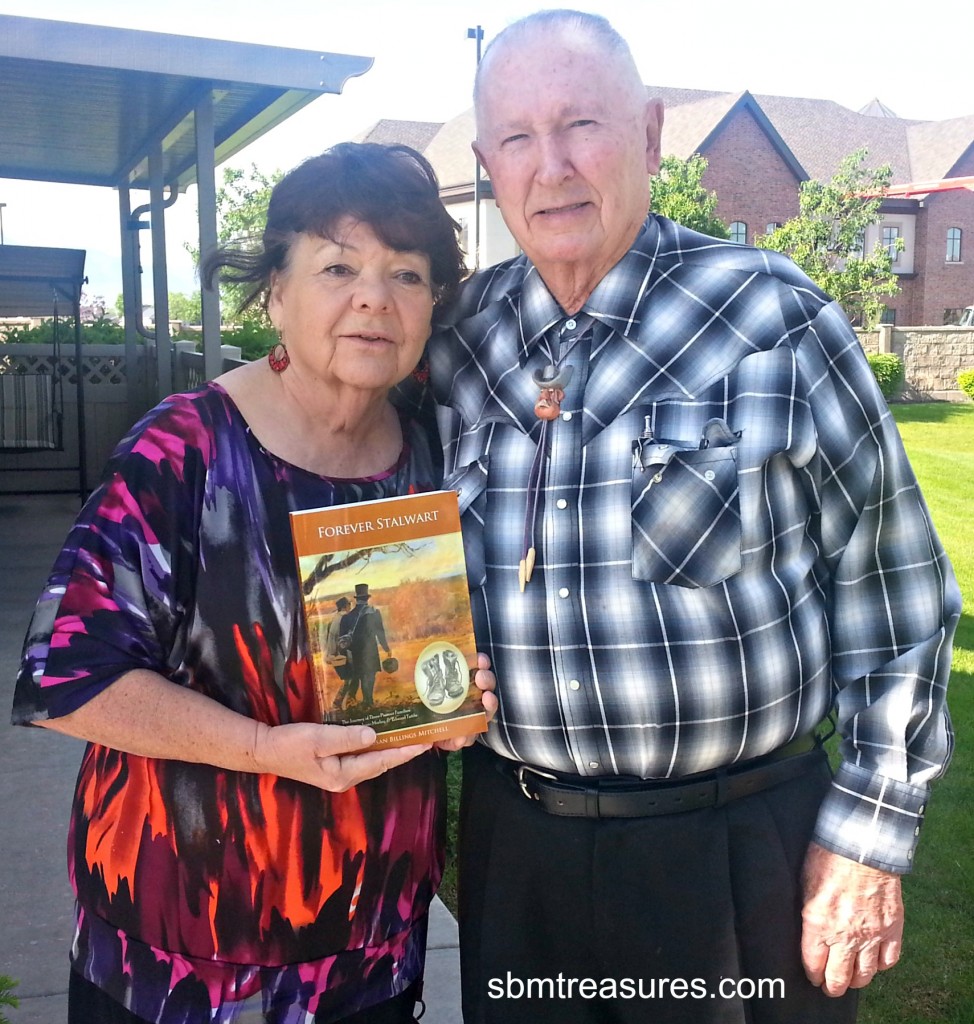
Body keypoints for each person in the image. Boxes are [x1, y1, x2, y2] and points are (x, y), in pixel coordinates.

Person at [424, 11, 959, 1024]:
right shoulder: (456, 340)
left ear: (650, 134)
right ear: (487, 161)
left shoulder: (772, 318)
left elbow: (894, 593)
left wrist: (867, 835)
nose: (551, 166)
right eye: (516, 137)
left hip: (733, 855)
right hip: (517, 849)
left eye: (581, 123)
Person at [11, 142, 497, 1024]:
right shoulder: (187, 448)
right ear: (274, 290)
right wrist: (265, 751)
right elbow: (66, 680)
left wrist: (455, 691)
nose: (372, 299)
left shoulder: (430, 450)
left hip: (371, 949)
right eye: (338, 266)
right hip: (183, 958)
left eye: (408, 274)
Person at [338, 584, 392, 709]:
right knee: (370, 674)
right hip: (371, 650)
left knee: (362, 675)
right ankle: (369, 700)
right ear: (367, 598)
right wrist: (386, 648)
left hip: (355, 653)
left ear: (356, 599)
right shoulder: (374, 613)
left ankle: (367, 701)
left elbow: (341, 640)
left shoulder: (347, 617)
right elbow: (380, 633)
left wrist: (344, 654)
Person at [324, 595, 353, 706]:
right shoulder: (344, 618)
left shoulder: (335, 618)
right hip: (342, 656)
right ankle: (340, 701)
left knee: (350, 679)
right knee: (351, 679)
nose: (350, 606)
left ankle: (342, 701)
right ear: (345, 606)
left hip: (335, 655)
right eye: (349, 604)